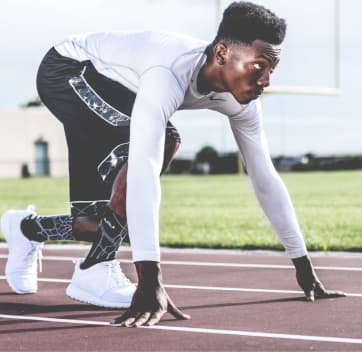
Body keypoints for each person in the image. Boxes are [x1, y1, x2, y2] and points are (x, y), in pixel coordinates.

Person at [1, 1, 345, 327]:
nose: (267, 80)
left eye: (272, 69)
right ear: (222, 53)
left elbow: (265, 177)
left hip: (116, 87)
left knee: (94, 223)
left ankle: (27, 229)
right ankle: (95, 267)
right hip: (67, 70)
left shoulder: (243, 103)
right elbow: (145, 169)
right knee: (164, 140)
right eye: (259, 66)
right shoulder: (168, 73)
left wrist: (303, 268)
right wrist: (149, 280)